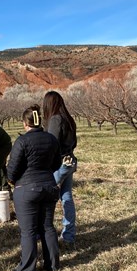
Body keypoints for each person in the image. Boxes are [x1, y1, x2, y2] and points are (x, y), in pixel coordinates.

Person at [7, 105, 61, 271]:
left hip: (27, 189)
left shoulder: (22, 142)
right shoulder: (51, 139)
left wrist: (12, 179)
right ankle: (52, 265)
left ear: (25, 123)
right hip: (49, 186)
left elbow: (12, 169)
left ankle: (27, 270)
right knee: (47, 226)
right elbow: (57, 164)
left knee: (28, 231)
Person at [42, 91, 78, 244]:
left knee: (43, 195)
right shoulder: (69, 119)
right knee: (66, 197)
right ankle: (69, 235)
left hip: (60, 162)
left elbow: (52, 144)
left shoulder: (55, 119)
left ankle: (43, 232)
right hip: (70, 161)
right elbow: (74, 142)